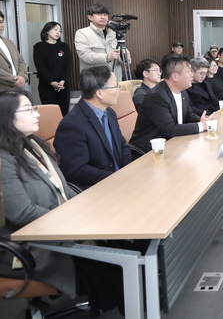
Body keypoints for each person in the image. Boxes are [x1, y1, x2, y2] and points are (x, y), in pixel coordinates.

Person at [0, 89, 79, 297]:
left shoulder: (32, 144)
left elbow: (62, 188)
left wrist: (84, 207)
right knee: (106, 259)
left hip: (53, 227)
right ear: (7, 117)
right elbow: (23, 214)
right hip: (25, 244)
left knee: (113, 240)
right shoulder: (3, 160)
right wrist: (71, 219)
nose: (37, 114)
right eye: (28, 109)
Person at [54, 66, 131, 188]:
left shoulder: (109, 113)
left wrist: (127, 171)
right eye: (116, 86)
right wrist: (116, 178)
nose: (118, 90)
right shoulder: (71, 125)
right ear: (100, 93)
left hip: (121, 181)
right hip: (98, 188)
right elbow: (76, 170)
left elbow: (122, 145)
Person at [130, 54, 213, 153]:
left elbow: (188, 115)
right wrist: (201, 126)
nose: (192, 74)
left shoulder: (182, 91)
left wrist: (205, 121)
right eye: (189, 71)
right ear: (175, 76)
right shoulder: (156, 96)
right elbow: (170, 129)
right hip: (150, 150)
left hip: (174, 143)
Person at [74, 3, 130, 81]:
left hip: (114, 79)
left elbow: (120, 55)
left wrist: (125, 58)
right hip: (95, 79)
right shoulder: (82, 33)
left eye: (105, 15)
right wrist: (108, 57)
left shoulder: (114, 33)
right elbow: (85, 55)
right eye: (99, 14)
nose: (103, 17)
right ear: (90, 17)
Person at [32, 21, 72, 116]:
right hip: (47, 85)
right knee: (50, 114)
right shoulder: (39, 47)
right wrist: (52, 82)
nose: (58, 32)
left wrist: (62, 81)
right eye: (55, 30)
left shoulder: (64, 46)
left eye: (60, 31)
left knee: (63, 113)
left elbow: (68, 66)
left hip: (63, 86)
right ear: (47, 31)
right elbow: (40, 67)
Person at [0, 10, 29, 92]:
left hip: (17, 90)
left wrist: (22, 76)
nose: (0, 25)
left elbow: (20, 60)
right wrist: (14, 80)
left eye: (1, 22)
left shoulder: (8, 42)